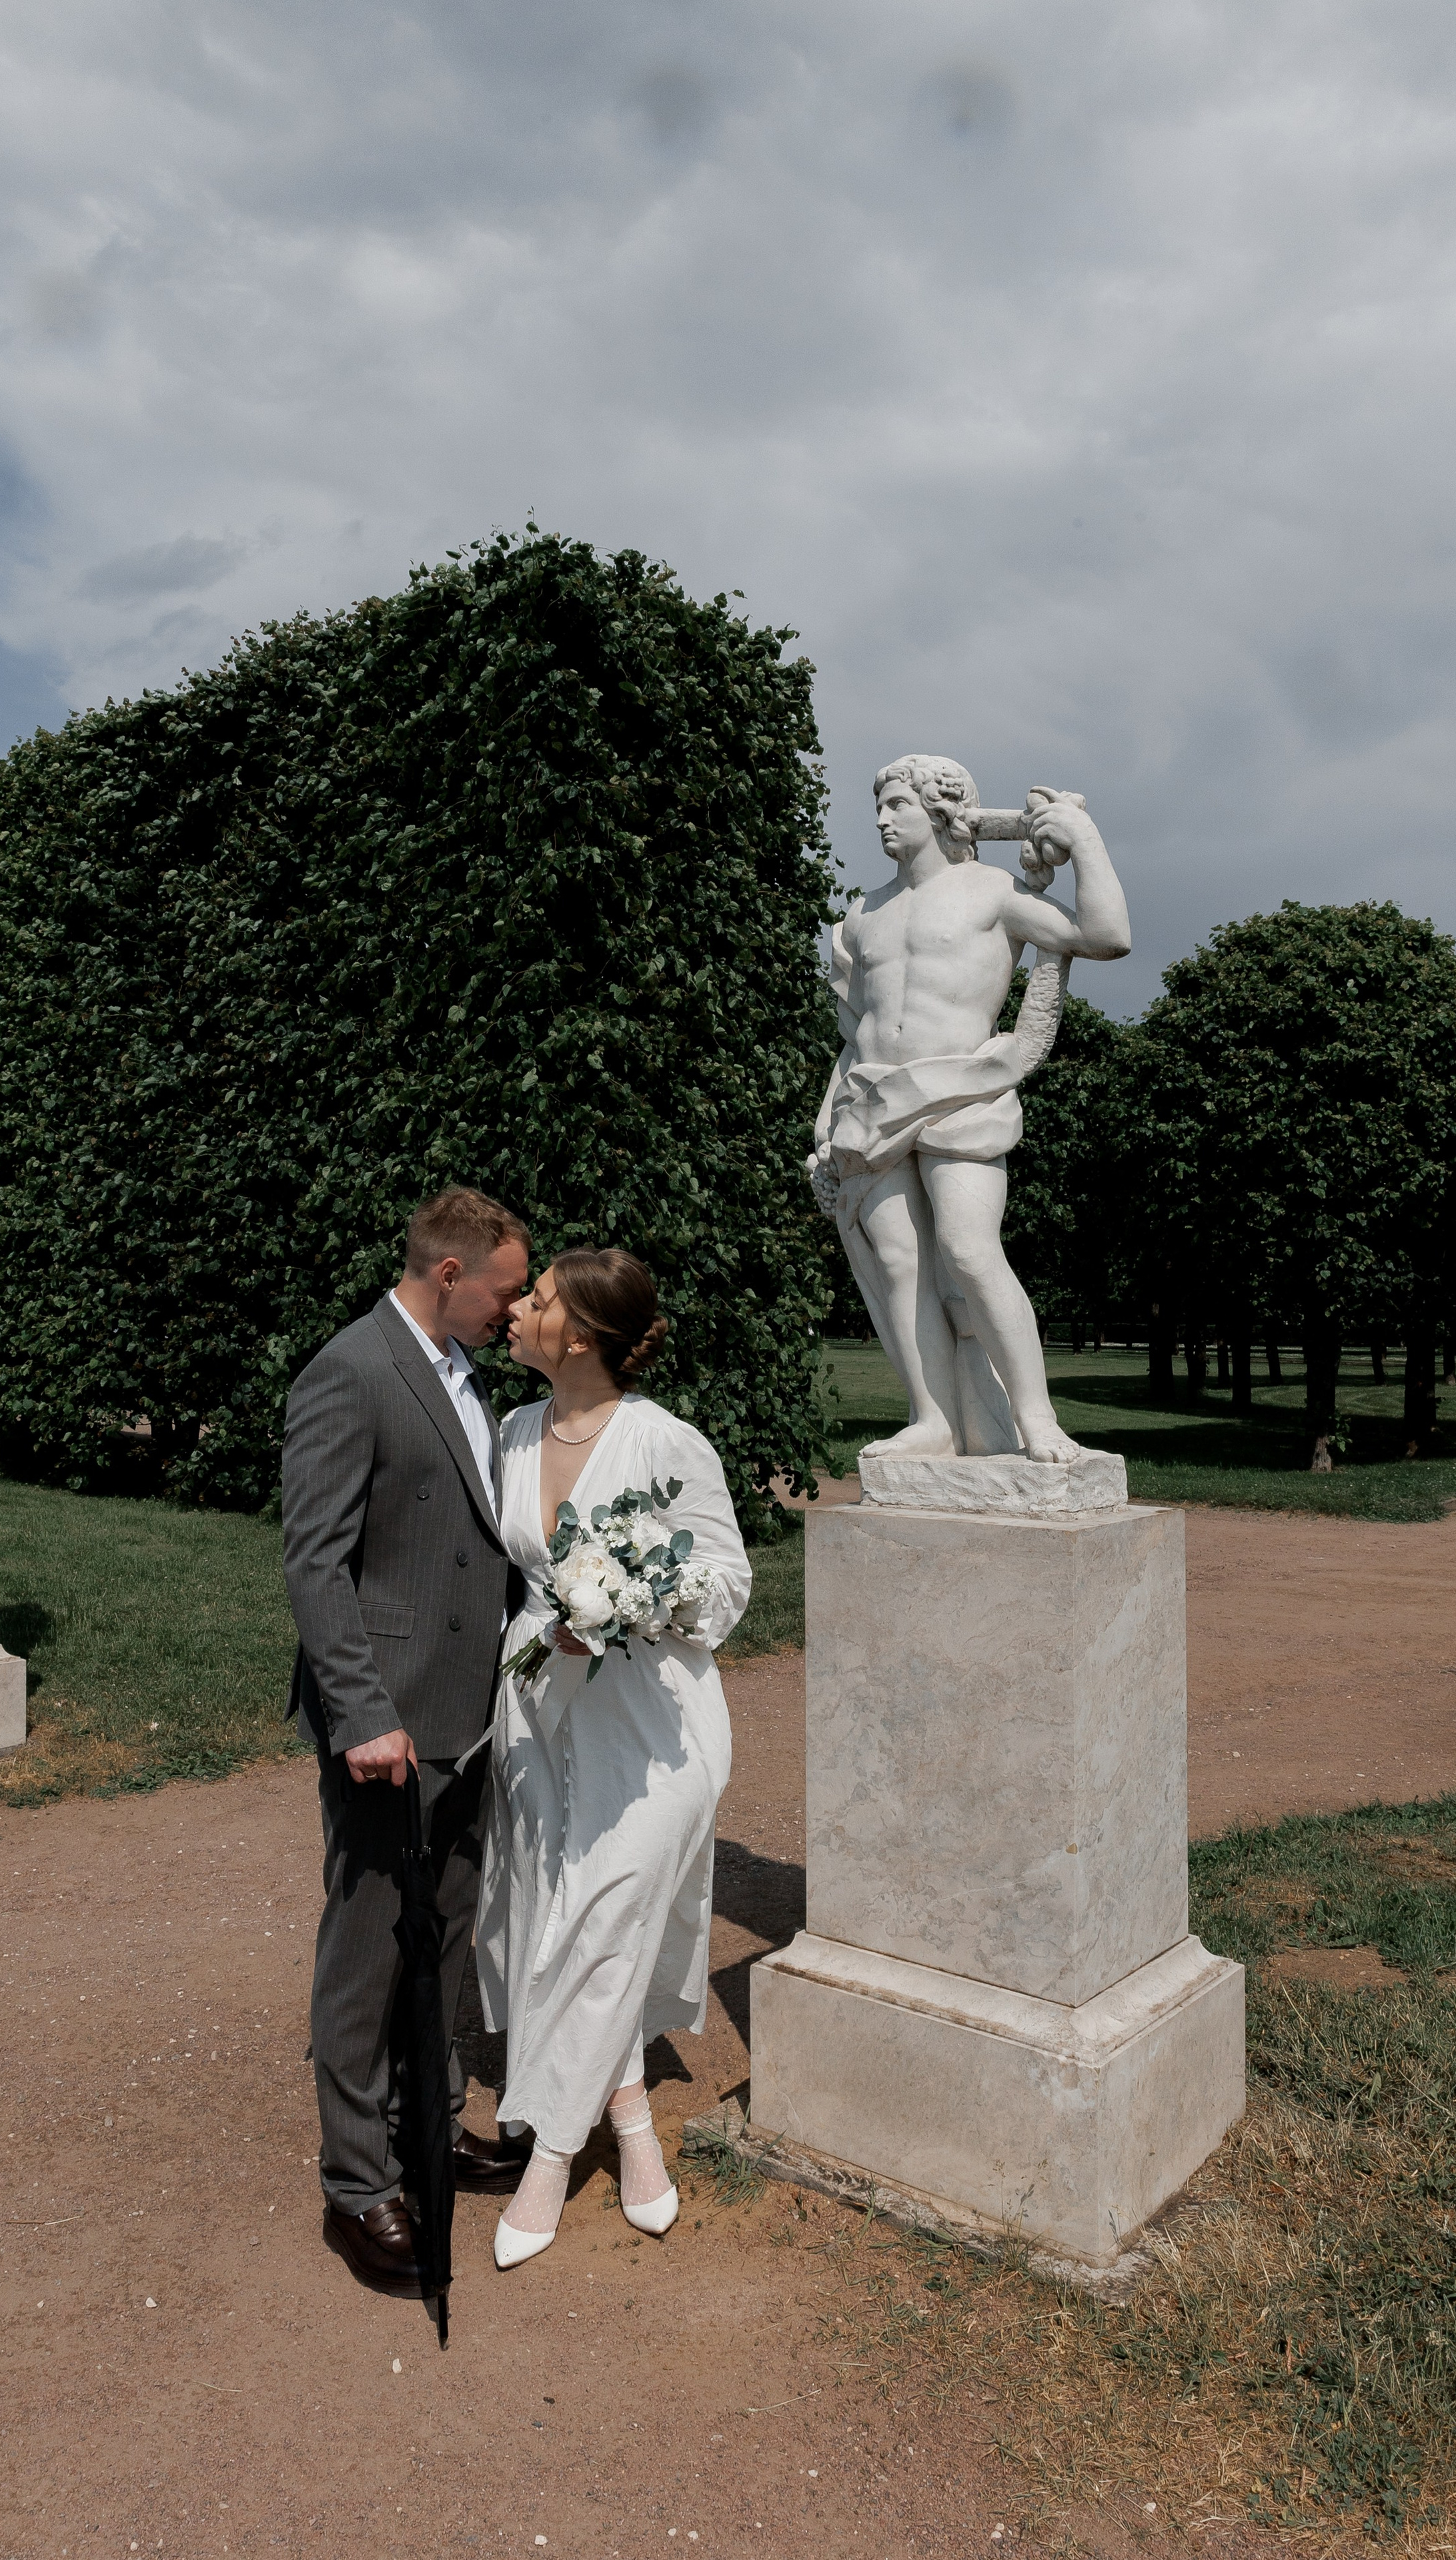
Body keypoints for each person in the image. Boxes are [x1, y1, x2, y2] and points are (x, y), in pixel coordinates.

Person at [281, 1185, 535, 2297]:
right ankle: (357, 2185)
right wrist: (362, 1711)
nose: (514, 1310)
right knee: (369, 1951)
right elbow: (315, 1564)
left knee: (446, 1940)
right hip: (390, 1724)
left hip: (471, 1718)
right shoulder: (352, 1371)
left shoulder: (467, 1377)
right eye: (505, 1290)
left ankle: (425, 2123)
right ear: (448, 1273)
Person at [476, 1248, 751, 2268]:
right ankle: (630, 2122)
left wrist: (645, 1600)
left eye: (538, 1300)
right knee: (563, 1912)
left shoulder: (666, 1441)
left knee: (610, 1908)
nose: (517, 1307)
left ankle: (548, 2149)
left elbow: (727, 1581)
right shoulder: (510, 1433)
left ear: (580, 1336)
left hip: (655, 1727)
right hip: (540, 1713)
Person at [811, 754, 1131, 1462]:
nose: (881, 818)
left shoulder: (993, 891)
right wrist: (825, 1120)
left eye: (896, 804)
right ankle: (933, 1419)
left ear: (938, 810)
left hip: (961, 1092)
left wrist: (1081, 839)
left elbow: (1106, 937)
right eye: (880, 805)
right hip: (871, 1103)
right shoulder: (861, 915)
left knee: (968, 1248)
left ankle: (1036, 1418)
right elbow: (851, 1034)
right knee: (898, 1264)